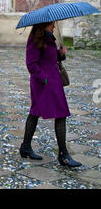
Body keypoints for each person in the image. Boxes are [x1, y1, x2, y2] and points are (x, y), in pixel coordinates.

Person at [19, 21, 82, 167]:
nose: (54, 26)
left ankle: (25, 147)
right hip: (43, 84)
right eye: (52, 24)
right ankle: (63, 155)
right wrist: (45, 79)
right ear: (44, 25)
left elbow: (52, 58)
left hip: (54, 82)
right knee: (58, 113)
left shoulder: (50, 38)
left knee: (37, 112)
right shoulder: (35, 39)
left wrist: (60, 54)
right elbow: (31, 64)